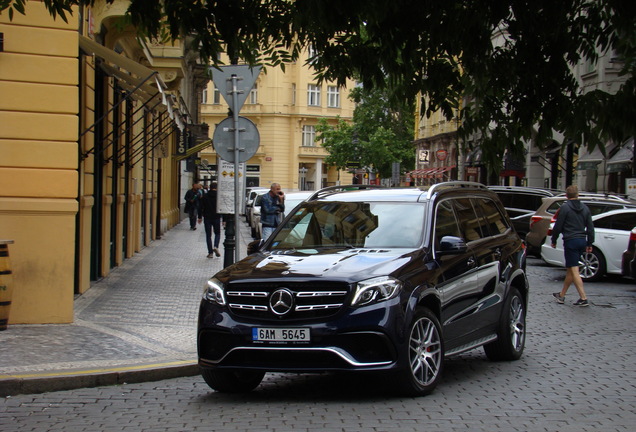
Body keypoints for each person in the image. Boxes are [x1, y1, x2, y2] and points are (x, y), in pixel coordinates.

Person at [551, 185, 595, 307]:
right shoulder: (585, 208)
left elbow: (558, 226)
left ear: (566, 195)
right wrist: (590, 242)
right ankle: (562, 295)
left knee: (574, 270)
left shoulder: (565, 208)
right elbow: (590, 227)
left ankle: (583, 297)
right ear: (577, 195)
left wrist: (554, 239)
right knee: (571, 268)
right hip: (582, 240)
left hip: (571, 240)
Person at [198, 182, 222, 258]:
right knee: (217, 233)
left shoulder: (205, 196)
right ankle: (215, 246)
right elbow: (222, 208)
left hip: (207, 217)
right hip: (217, 217)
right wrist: (224, 219)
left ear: (210, 187)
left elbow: (200, 207)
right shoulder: (219, 197)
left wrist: (199, 217)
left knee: (208, 235)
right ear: (217, 188)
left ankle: (210, 253)